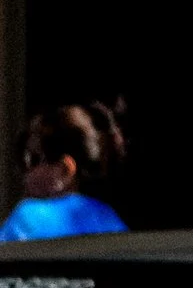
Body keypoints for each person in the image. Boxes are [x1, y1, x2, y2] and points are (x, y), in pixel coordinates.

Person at [2, 101, 129, 241]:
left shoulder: (28, 217)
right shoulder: (109, 218)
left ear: (65, 169)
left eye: (33, 160)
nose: (25, 173)